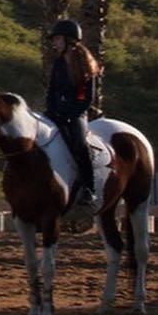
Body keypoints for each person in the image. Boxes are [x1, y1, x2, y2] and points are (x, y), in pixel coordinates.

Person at [45, 18, 100, 216]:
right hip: (57, 112)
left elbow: (87, 98)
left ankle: (89, 189)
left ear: (69, 40)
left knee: (79, 143)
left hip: (77, 113)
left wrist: (70, 113)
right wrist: (50, 111)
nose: (55, 43)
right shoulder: (59, 63)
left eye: (58, 39)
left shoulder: (85, 64)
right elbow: (51, 90)